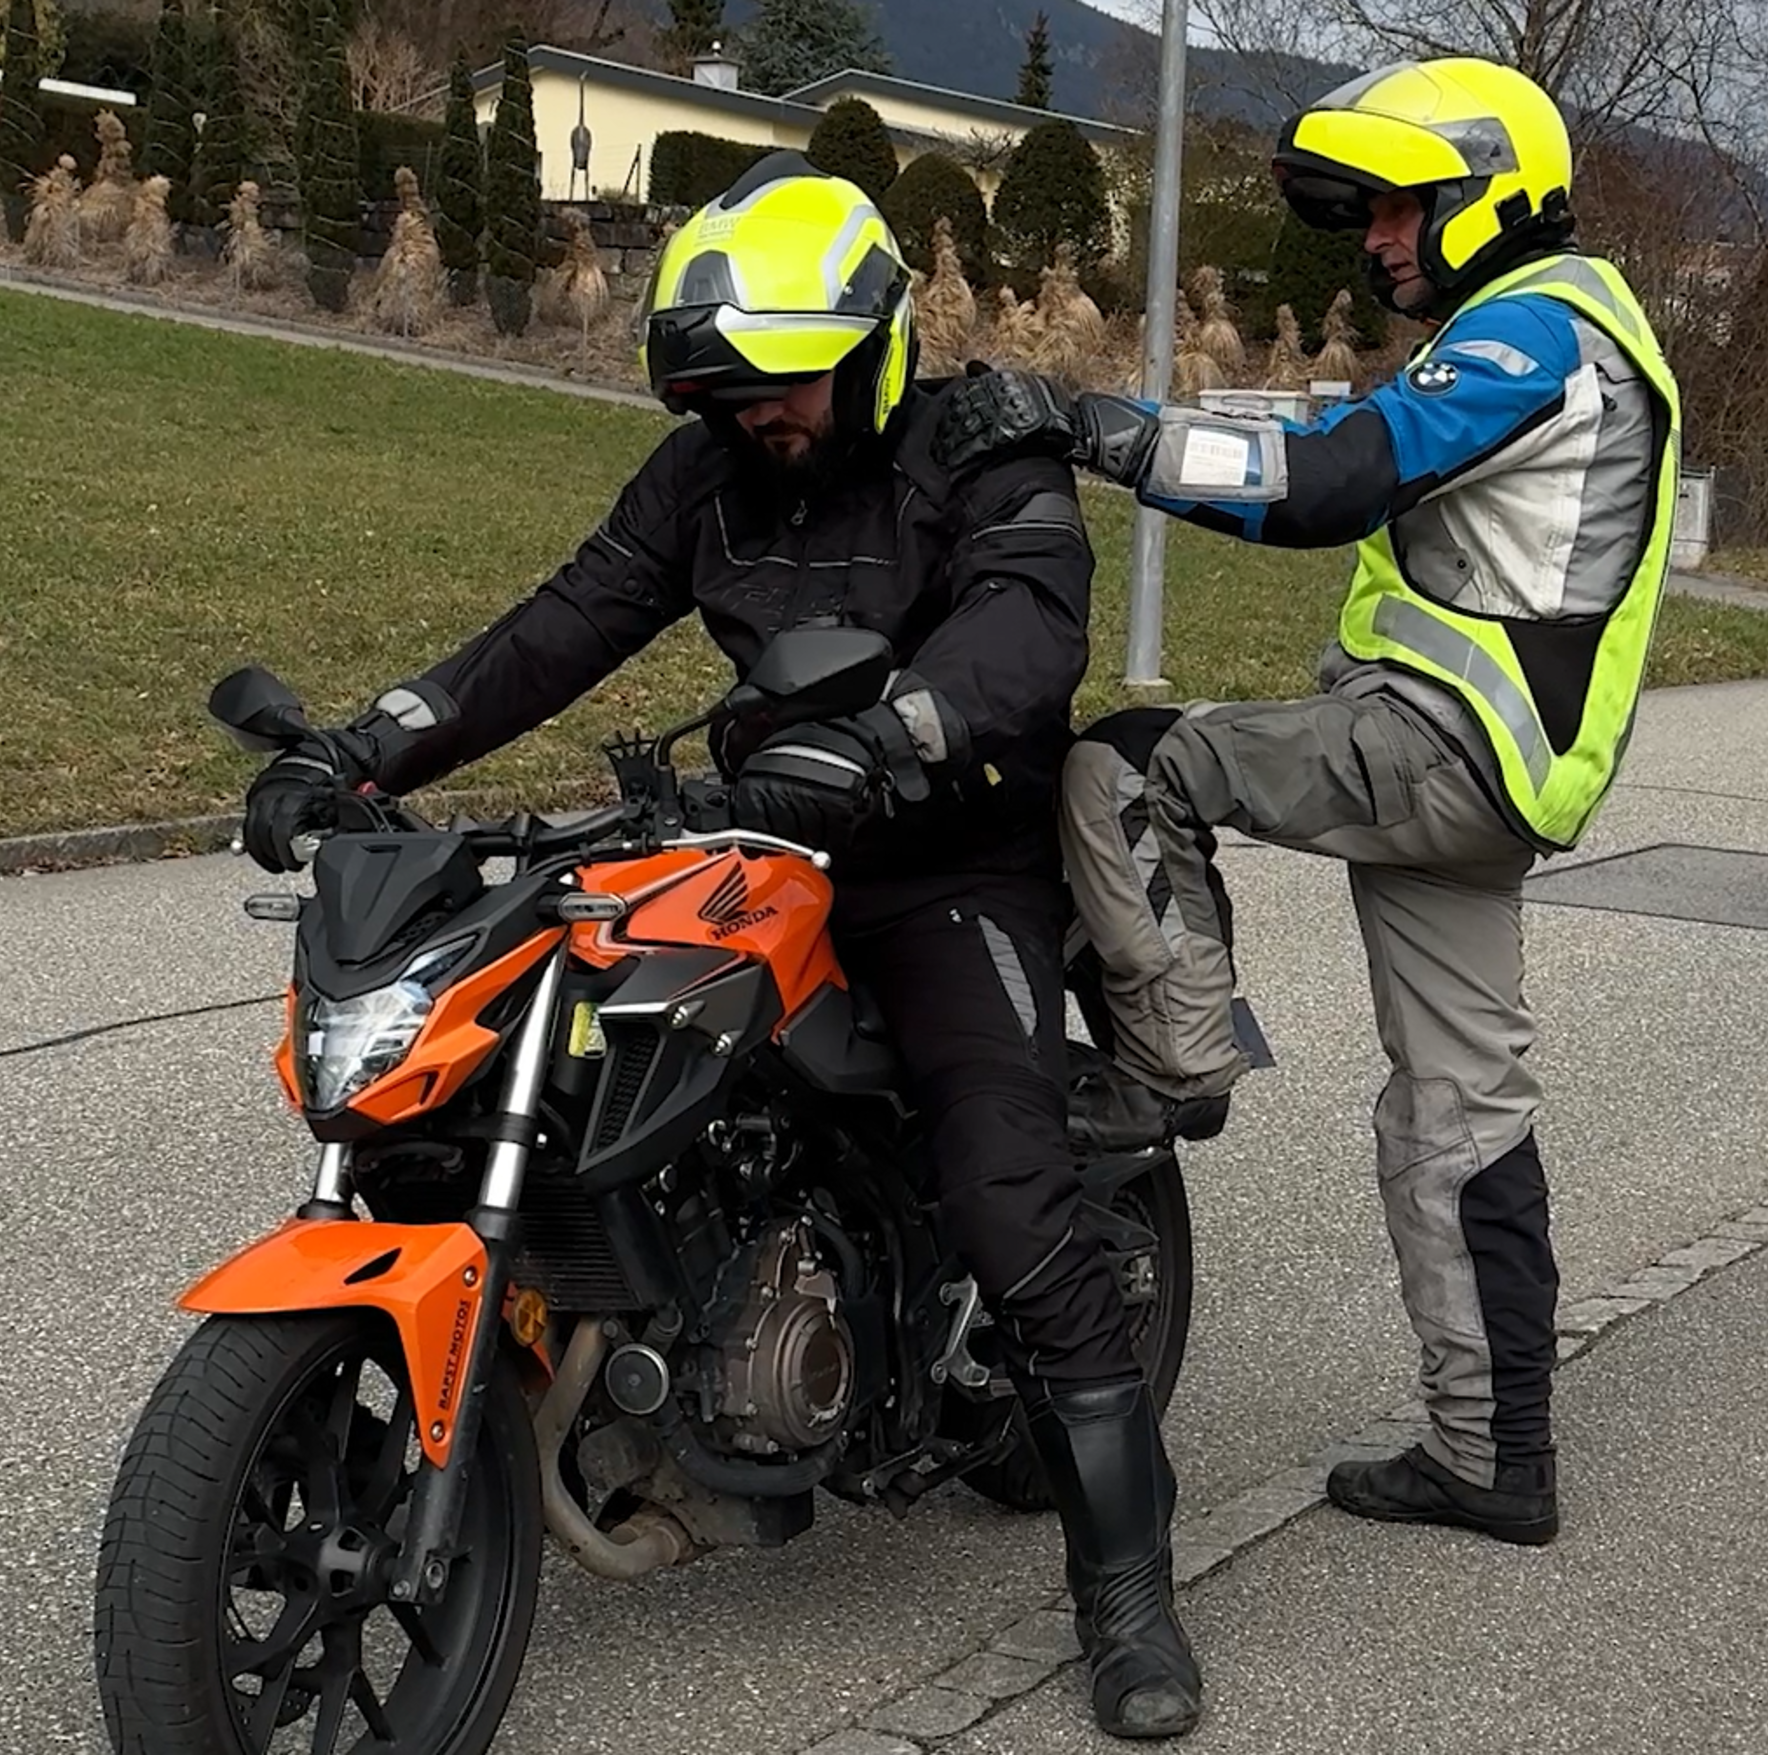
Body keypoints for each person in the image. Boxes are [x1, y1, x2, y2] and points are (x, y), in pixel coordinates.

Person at [237, 155, 1201, 1740]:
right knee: (544, 1068)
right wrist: (363, 752)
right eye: (725, 389)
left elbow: (1028, 631)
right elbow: (557, 626)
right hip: (764, 826)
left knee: (1007, 1188)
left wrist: (902, 732)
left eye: (781, 382)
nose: (754, 413)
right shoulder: (704, 478)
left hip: (948, 854)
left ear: (875, 339)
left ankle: (1130, 1597)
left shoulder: (983, 447)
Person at [932, 58, 1682, 1549]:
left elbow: (1333, 479)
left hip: (1439, 745)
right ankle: (1493, 1454)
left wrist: (1094, 430)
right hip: (1492, 769)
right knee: (1462, 1110)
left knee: (1133, 762)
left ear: (1493, 197)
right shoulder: (1570, 329)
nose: (1381, 241)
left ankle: (1171, 1075)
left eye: (1408, 209)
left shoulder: (1540, 330)